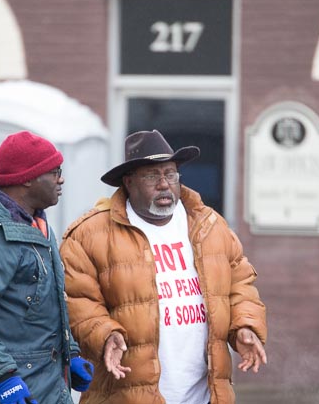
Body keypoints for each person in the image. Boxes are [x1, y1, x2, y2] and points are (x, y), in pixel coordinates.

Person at [60, 129, 268, 404]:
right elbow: (77, 301)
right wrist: (105, 334)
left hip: (205, 396)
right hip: (127, 394)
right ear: (128, 182)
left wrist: (245, 326)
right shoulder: (89, 234)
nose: (163, 184)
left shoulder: (208, 226)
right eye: (151, 176)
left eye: (170, 174)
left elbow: (240, 284)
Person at [0, 130, 94, 404]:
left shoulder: (35, 225)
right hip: (8, 391)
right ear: (27, 179)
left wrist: (68, 355)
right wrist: (3, 377)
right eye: (55, 171)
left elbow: (41, 305)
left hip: (46, 386)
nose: (62, 179)